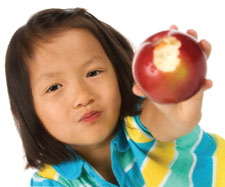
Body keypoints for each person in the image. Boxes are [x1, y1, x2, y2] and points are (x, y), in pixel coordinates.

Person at [5, 7, 225, 187]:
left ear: (119, 71)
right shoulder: (50, 182)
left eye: (93, 73)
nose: (82, 97)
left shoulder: (142, 122)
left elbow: (165, 122)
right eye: (54, 87)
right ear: (25, 112)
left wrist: (173, 108)